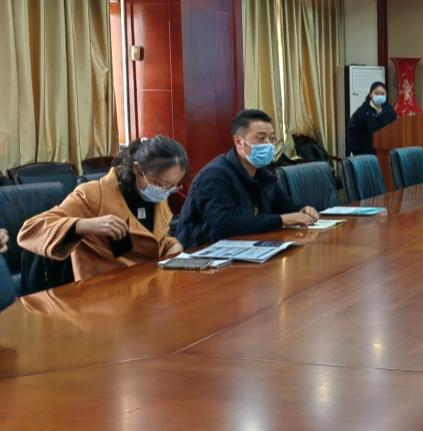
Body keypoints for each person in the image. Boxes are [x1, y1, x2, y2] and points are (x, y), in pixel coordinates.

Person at [17, 136, 188, 281]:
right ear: (137, 169)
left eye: (172, 186)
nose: (165, 191)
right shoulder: (94, 195)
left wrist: (172, 247)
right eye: (161, 184)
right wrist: (83, 225)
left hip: (149, 286)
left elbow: (157, 238)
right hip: (104, 292)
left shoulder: (158, 197)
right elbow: (30, 230)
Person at [172, 109, 319, 248]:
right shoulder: (215, 176)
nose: (269, 144)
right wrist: (281, 220)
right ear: (239, 142)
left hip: (247, 246)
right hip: (202, 252)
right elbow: (225, 225)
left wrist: (302, 210)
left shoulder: (263, 173)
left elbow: (284, 205)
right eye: (261, 138)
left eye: (271, 138)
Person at [347, 81, 397, 156]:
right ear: (370, 94)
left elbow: (395, 128)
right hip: (367, 153)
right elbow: (352, 132)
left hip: (386, 152)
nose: (380, 96)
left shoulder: (389, 109)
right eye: (377, 93)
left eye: (382, 94)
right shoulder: (362, 111)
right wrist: (356, 151)